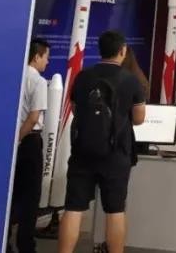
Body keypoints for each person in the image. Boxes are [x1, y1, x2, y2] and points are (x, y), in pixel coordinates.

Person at [58, 31, 146, 253]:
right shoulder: (131, 80)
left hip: (82, 151)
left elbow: (76, 110)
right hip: (116, 153)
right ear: (122, 51)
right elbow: (139, 118)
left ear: (100, 50)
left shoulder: (83, 77)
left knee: (73, 208)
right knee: (115, 210)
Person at [8, 38, 50, 253]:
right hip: (30, 141)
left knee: (11, 194)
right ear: (36, 56)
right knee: (30, 198)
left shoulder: (14, 76)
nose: (47, 62)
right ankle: (26, 246)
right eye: (46, 57)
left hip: (11, 141)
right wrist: (20, 138)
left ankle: (4, 242)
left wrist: (13, 140)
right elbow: (34, 117)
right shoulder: (39, 82)